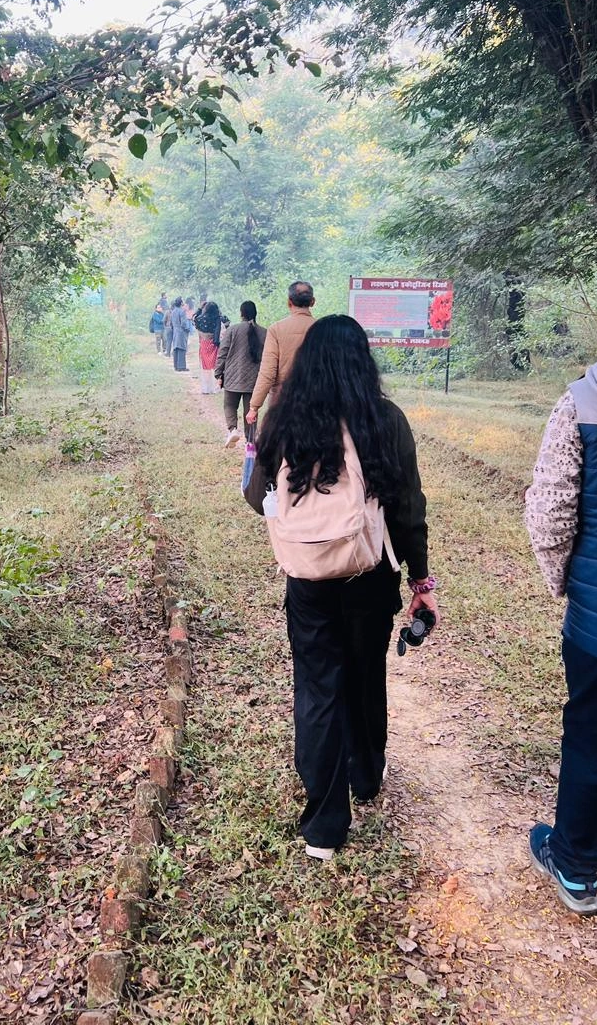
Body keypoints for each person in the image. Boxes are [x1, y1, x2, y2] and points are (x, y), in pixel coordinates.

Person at [248, 315, 435, 859]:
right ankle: (366, 774)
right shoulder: (384, 418)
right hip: (370, 575)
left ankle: (324, 828)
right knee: (364, 674)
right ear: (362, 361)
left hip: (307, 579)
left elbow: (256, 496)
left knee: (317, 688)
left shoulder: (285, 419)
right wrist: (421, 580)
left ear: (307, 362)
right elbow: (408, 508)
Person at [525, 268, 597, 957]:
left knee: (594, 740)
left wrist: (564, 584)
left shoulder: (586, 396)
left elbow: (551, 511)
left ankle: (573, 866)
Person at [245, 280, 316, 426]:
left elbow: (268, 372)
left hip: (282, 401)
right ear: (313, 302)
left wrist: (254, 406)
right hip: (315, 400)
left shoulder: (276, 329)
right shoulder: (323, 329)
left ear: (289, 302)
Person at [215, 300, 267, 447]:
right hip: (254, 379)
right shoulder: (264, 332)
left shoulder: (233, 330)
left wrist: (218, 373)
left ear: (241, 313)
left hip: (232, 376)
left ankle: (232, 430)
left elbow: (223, 353)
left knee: (229, 405)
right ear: (255, 314)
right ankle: (250, 441)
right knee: (251, 410)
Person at [194, 299, 223, 394]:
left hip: (204, 344)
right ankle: (215, 388)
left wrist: (199, 309)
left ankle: (206, 388)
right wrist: (217, 344)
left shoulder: (199, 318)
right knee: (215, 366)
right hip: (213, 344)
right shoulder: (217, 319)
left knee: (205, 367)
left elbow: (194, 318)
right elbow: (217, 332)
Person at [170, 297, 193, 373]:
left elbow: (171, 323)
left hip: (175, 331)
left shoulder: (173, 311)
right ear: (181, 303)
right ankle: (181, 366)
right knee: (182, 348)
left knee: (176, 348)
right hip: (181, 332)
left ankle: (176, 366)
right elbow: (183, 323)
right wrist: (187, 329)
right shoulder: (182, 311)